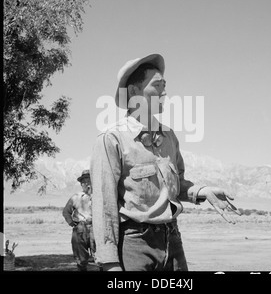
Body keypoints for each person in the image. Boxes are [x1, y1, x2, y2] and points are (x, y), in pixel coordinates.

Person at [90, 53, 241, 271]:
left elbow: (176, 185)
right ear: (134, 92)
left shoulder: (169, 137)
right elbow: (104, 206)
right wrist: (110, 262)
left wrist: (203, 191)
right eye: (157, 85)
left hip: (172, 240)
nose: (165, 92)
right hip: (134, 245)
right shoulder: (111, 139)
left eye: (165, 85)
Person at [62, 169, 96, 271]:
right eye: (84, 181)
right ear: (81, 184)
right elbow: (66, 212)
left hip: (95, 228)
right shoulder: (76, 197)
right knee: (81, 259)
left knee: (100, 257)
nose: (86, 183)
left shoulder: (98, 196)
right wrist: (71, 223)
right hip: (80, 229)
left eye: (89, 180)